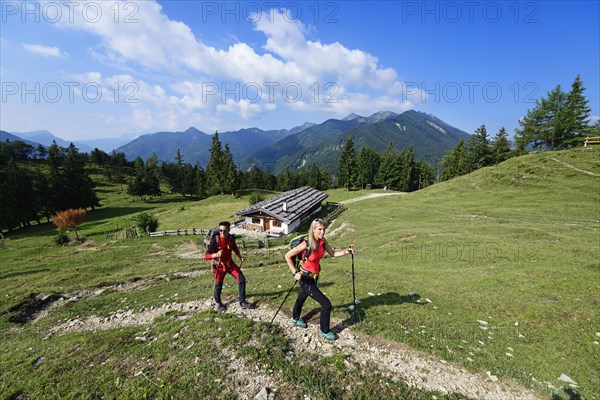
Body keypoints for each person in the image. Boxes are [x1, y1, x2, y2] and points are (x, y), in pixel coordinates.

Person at [284, 218, 354, 340]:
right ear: (313, 230)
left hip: (315, 276)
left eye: (324, 229)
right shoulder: (305, 244)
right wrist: (295, 272)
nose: (322, 232)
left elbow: (332, 253)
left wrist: (347, 251)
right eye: (319, 229)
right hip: (304, 277)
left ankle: (295, 318)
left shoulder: (322, 241)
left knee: (302, 295)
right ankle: (324, 330)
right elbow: (287, 256)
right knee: (326, 305)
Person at [205, 221, 256, 312]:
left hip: (230, 264)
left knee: (241, 279)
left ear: (229, 230)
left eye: (224, 230)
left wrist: (240, 256)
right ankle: (218, 303)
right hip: (218, 267)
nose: (222, 233)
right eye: (220, 230)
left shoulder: (231, 238)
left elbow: (234, 247)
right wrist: (216, 254)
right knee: (218, 285)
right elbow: (206, 256)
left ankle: (242, 301)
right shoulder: (215, 240)